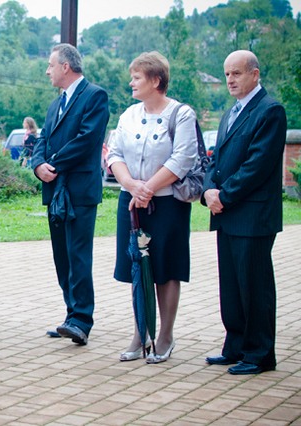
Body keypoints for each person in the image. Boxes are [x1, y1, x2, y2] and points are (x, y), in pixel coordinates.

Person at [107, 51, 198, 363]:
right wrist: (132, 185)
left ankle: (165, 336)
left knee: (166, 268)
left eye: (136, 78)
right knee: (137, 266)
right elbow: (114, 154)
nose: (131, 83)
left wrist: (149, 187)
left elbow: (183, 158)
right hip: (132, 202)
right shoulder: (128, 115)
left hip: (168, 203)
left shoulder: (181, 114)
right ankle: (140, 332)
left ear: (156, 80)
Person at [202, 50, 286, 375]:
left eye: (236, 73)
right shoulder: (230, 113)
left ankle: (259, 354)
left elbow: (257, 165)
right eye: (226, 74)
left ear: (255, 73)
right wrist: (208, 190)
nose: (230, 80)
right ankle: (235, 346)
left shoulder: (270, 111)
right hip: (226, 215)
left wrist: (224, 195)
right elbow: (215, 160)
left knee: (254, 287)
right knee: (232, 286)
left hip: (252, 216)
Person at [31, 43, 109, 346]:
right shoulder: (56, 104)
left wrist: (53, 163)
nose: (47, 71)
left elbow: (86, 140)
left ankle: (82, 320)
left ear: (65, 66)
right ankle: (70, 316)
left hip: (79, 191)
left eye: (50, 65)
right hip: (55, 190)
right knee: (61, 256)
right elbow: (42, 139)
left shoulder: (95, 96)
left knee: (78, 255)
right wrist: (38, 165)